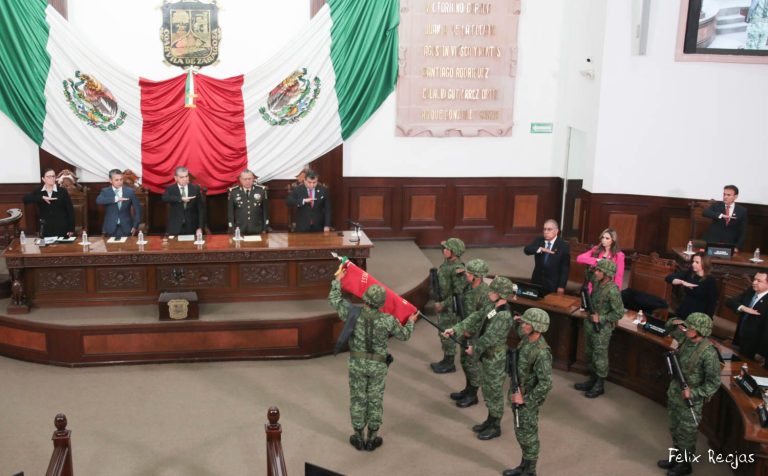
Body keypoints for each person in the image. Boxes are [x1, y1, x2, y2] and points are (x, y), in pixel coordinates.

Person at [327, 269, 417, 452]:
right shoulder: (387, 320)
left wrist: (338, 281)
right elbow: (405, 335)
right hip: (378, 366)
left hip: (357, 365)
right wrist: (411, 321)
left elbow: (334, 300)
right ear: (381, 303)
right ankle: (373, 438)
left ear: (365, 298)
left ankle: (358, 437)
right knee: (375, 400)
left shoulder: (352, 313)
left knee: (358, 399)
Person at [444, 276, 515, 441]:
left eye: (493, 291)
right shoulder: (492, 307)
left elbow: (489, 337)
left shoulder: (504, 315)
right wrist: (456, 329)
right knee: (487, 390)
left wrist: (474, 349)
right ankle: (490, 420)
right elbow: (476, 317)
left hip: (494, 357)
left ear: (502, 294)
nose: (489, 292)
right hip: (486, 355)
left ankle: (495, 425)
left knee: (494, 392)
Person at [657, 313, 721, 476]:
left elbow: (713, 383)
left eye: (690, 328)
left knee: (687, 433)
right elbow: (669, 327)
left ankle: (685, 465)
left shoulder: (708, 353)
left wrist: (694, 392)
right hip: (675, 393)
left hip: (690, 400)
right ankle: (677, 457)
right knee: (674, 428)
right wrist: (678, 321)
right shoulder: (686, 339)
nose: (687, 329)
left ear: (700, 331)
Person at [504, 308, 553, 476]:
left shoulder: (541, 353)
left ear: (536, 327)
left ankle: (530, 471)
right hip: (518, 392)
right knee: (521, 432)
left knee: (528, 435)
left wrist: (525, 399)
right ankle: (523, 465)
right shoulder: (527, 339)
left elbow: (546, 383)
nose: (523, 325)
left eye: (526, 323)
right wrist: (519, 320)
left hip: (527, 399)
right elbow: (520, 328)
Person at [573, 259, 625, 398]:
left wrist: (601, 318)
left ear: (607, 274)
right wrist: (591, 268)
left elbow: (619, 312)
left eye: (599, 271)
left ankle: (599, 384)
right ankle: (592, 379)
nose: (596, 273)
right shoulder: (597, 282)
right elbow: (589, 275)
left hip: (602, 328)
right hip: (590, 324)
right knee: (589, 353)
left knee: (599, 356)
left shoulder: (612, 290)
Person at [449, 258, 491, 408]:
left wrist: (470, 331)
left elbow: (484, 316)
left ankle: (473, 395)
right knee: (465, 362)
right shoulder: (469, 286)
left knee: (473, 365)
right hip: (465, 330)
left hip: (475, 335)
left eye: (469, 273)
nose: (466, 274)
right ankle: (467, 389)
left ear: (477, 276)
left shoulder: (485, 293)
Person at [430, 238, 468, 374]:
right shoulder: (447, 263)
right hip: (443, 303)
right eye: (444, 248)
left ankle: (450, 363)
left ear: (455, 252)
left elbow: (459, 294)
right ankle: (446, 359)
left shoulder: (458, 269)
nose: (444, 250)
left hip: (451, 308)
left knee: (447, 334)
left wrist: (443, 304)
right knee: (442, 333)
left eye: (447, 249)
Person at [727, 272, 768, 366]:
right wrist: (743, 308)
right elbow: (730, 301)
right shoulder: (751, 291)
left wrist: (761, 352)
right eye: (754, 279)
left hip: (754, 346)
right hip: (739, 338)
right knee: (732, 367)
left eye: (759, 281)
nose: (754, 282)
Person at [23, 168, 75, 238]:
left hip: (62, 228)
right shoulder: (39, 191)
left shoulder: (62, 191)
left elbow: (70, 211)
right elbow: (25, 199)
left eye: (53, 176)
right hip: (46, 229)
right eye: (49, 177)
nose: (52, 178)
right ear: (43, 179)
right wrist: (41, 198)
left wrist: (71, 228)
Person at [523, 219, 570, 295]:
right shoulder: (539, 240)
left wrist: (561, 286)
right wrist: (540, 249)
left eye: (549, 229)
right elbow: (526, 250)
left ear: (556, 231)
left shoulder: (563, 245)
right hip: (537, 281)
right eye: (544, 229)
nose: (546, 232)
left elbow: (565, 268)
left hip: (552, 284)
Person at [665, 253, 718, 319]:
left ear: (705, 264)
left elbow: (712, 303)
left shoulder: (710, 280)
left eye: (697, 262)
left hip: (699, 314)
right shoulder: (690, 273)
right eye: (693, 261)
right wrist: (682, 282)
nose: (693, 264)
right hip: (685, 309)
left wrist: (707, 319)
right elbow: (668, 278)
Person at [95, 169, 142, 237]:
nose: (119, 182)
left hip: (127, 227)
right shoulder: (105, 191)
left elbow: (138, 210)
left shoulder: (129, 192)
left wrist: (135, 226)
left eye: (121, 179)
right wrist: (116, 199)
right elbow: (98, 201)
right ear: (111, 181)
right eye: (116, 180)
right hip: (110, 227)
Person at [161, 166, 206, 236]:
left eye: (186, 176)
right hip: (175, 227)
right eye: (181, 177)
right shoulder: (171, 189)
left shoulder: (195, 189)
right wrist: (180, 199)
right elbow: (164, 198)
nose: (185, 179)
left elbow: (201, 209)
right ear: (176, 178)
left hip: (192, 227)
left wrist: (200, 227)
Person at [701, 185, 747, 252]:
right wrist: (720, 215)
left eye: (728, 195)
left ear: (735, 196)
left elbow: (743, 231)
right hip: (712, 241)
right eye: (724, 194)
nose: (725, 197)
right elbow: (705, 212)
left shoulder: (742, 210)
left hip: (730, 243)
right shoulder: (717, 205)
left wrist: (737, 247)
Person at [227, 169, 269, 234]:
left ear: (253, 179)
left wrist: (265, 228)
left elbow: (265, 211)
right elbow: (231, 213)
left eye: (249, 179)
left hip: (257, 229)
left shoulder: (261, 191)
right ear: (240, 179)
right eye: (245, 179)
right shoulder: (233, 192)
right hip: (239, 230)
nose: (247, 181)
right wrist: (232, 228)